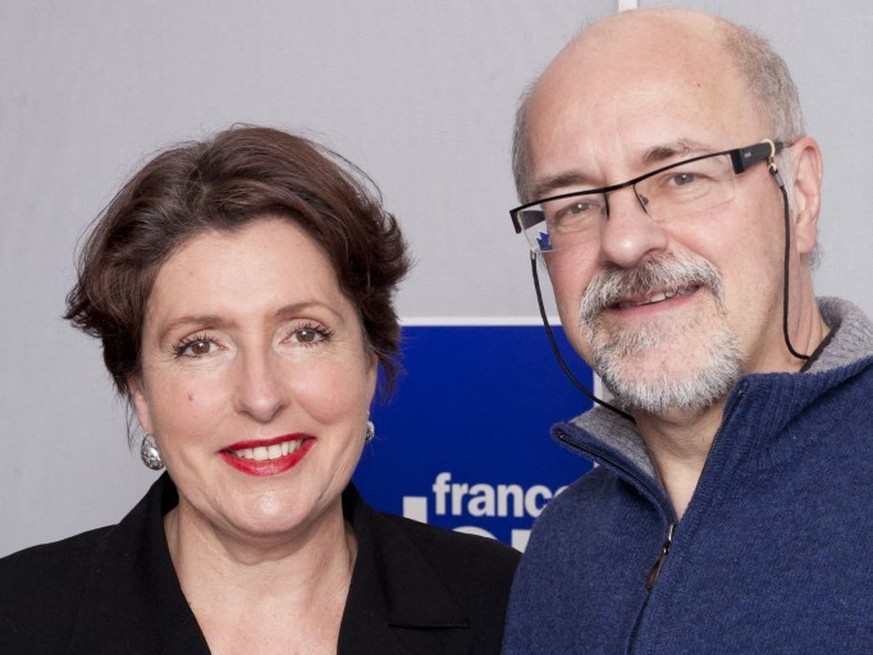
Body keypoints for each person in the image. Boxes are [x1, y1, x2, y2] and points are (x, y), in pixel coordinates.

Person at [0, 125, 520, 654]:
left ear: (369, 362)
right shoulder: (17, 619)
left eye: (304, 334)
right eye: (201, 345)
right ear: (140, 392)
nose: (261, 396)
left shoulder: (512, 608)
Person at [501, 7, 873, 653]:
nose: (623, 241)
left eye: (682, 176)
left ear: (801, 193)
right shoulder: (565, 544)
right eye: (575, 204)